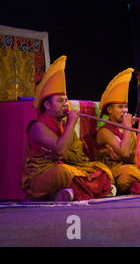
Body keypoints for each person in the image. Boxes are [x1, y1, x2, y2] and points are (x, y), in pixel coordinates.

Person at [22, 56, 113, 201]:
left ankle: (59, 194)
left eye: (66, 100)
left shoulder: (63, 126)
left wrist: (64, 156)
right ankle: (84, 190)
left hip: (66, 168)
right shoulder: (38, 127)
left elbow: (77, 156)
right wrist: (71, 122)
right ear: (47, 105)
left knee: (100, 169)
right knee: (64, 171)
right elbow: (59, 149)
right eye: (60, 101)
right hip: (40, 178)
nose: (66, 104)